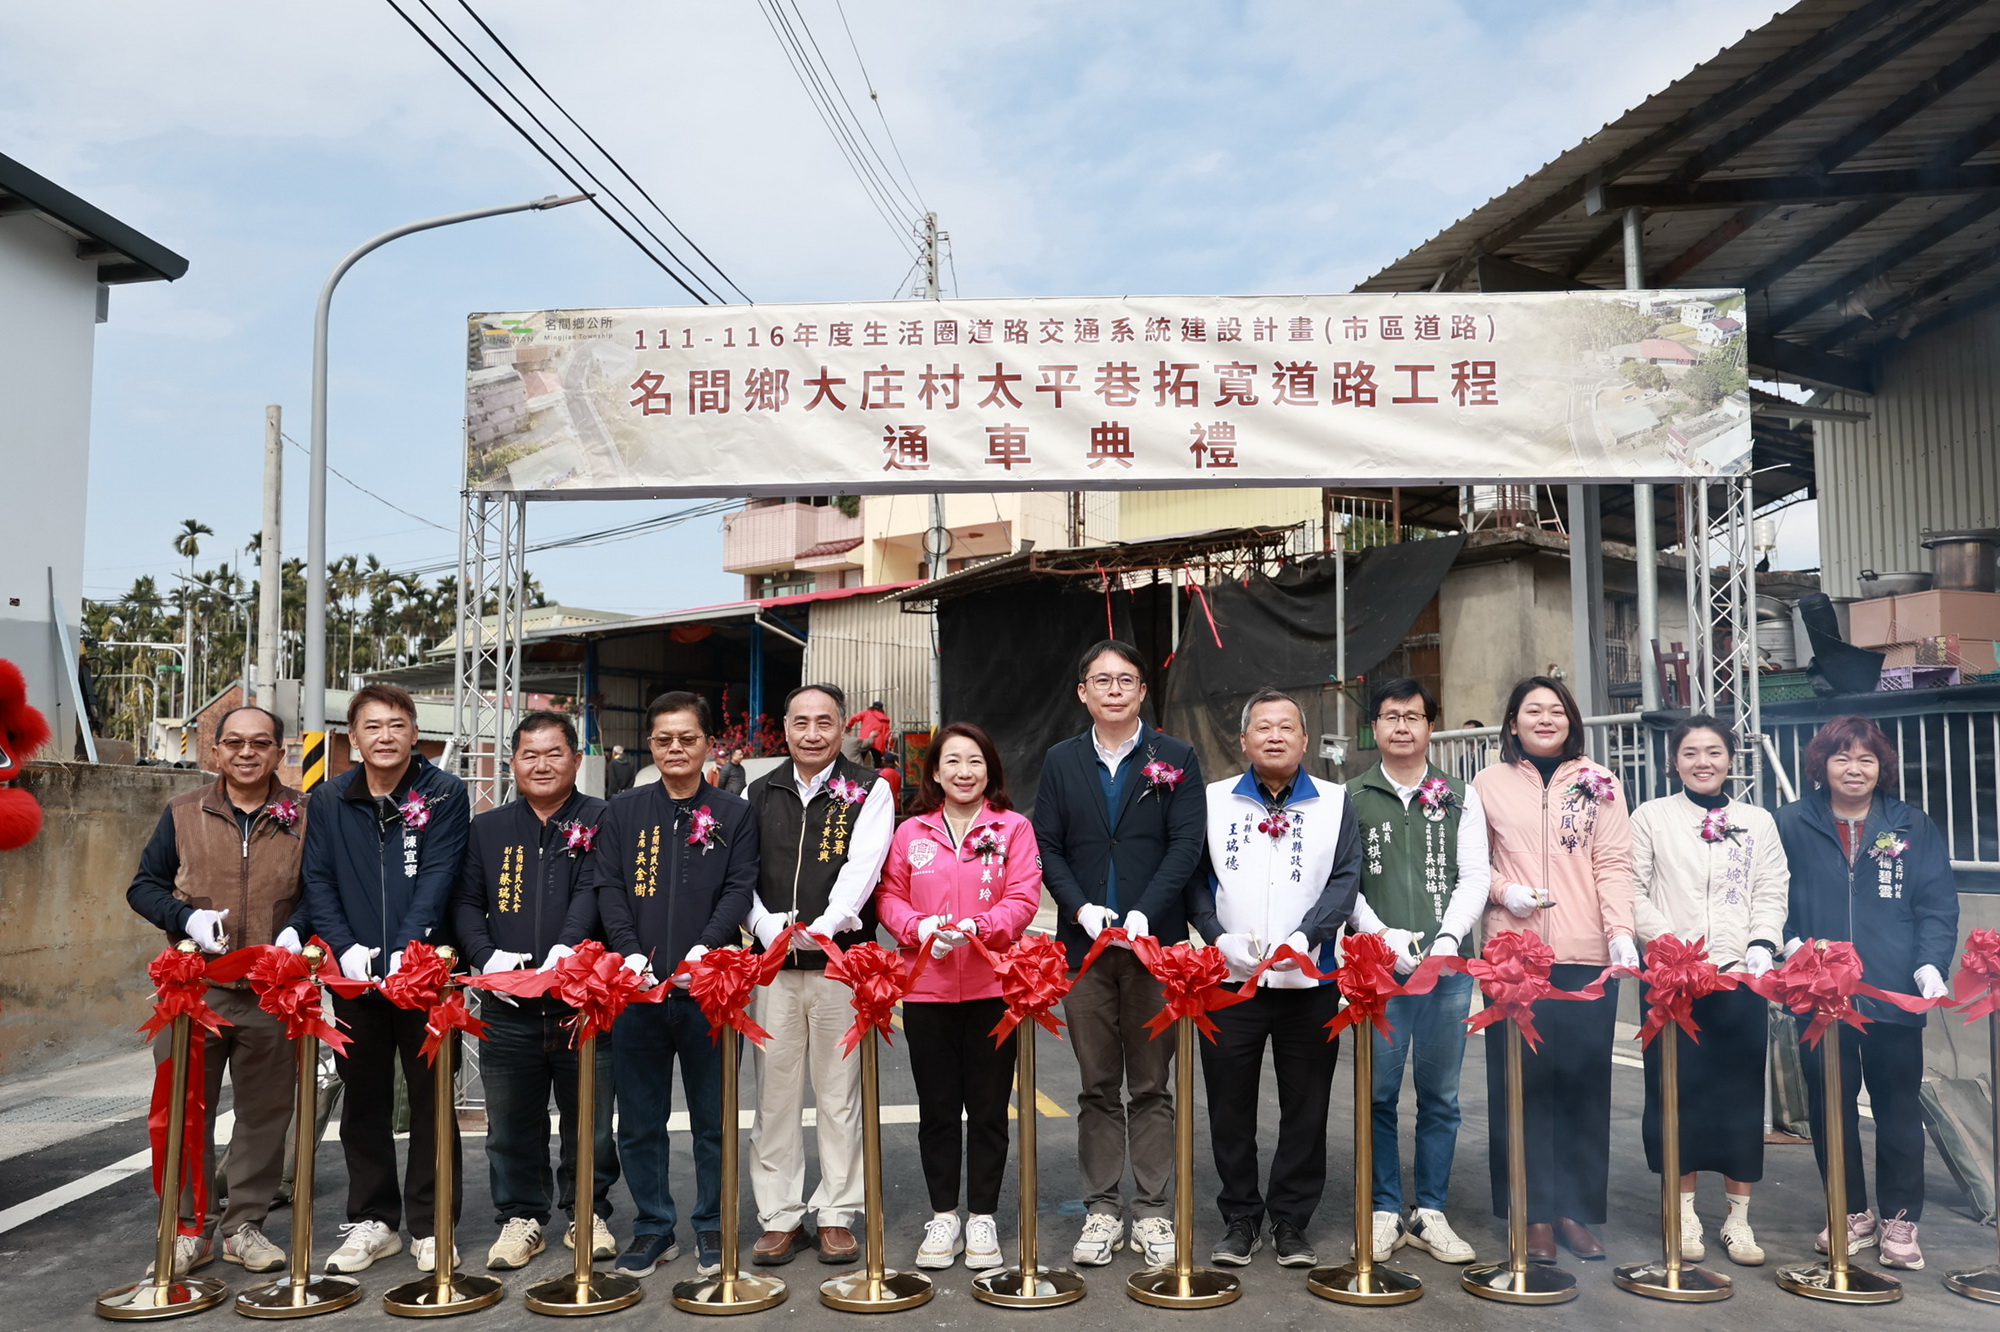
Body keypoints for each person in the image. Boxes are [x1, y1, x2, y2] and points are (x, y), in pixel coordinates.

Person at [1032, 639, 1206, 1268]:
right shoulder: (1060, 760)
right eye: (1100, 680)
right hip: (1083, 951)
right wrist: (1078, 907)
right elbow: (1047, 844)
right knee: (1097, 1086)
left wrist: (1145, 913)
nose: (1113, 690)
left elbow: (1186, 846)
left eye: (1125, 679)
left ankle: (1154, 1213)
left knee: (1153, 1085)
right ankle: (1102, 1210)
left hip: (1154, 948)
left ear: (1141, 692)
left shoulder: (1177, 758)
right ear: (1083, 692)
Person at [125, 704, 310, 1278]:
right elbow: (144, 886)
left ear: (280, 752)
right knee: (185, 1109)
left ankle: (245, 1226)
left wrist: (300, 927)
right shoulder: (183, 812)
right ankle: (188, 1228)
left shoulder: (306, 815)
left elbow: (324, 886)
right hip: (196, 992)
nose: (247, 752)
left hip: (274, 990)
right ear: (216, 751)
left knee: (265, 1111)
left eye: (260, 742)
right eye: (234, 742)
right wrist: (184, 920)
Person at [301, 683, 472, 1275]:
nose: (385, 736)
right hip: (353, 980)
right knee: (364, 1098)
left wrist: (406, 951)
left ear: (414, 732)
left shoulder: (445, 793)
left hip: (423, 974)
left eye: (397, 724)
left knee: (430, 1099)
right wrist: (343, 950)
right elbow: (316, 880)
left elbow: (440, 877)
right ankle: (374, 1219)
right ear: (354, 738)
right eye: (372, 726)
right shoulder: (326, 800)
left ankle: (431, 1223)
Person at [1776, 713, 1956, 1271]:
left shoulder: (1909, 825)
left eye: (1866, 759)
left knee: (1898, 1109)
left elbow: (1936, 903)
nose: (1854, 769)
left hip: (1892, 990)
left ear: (1882, 769)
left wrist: (1929, 965)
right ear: (1821, 766)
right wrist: (1782, 943)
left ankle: (1901, 1218)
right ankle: (1848, 1211)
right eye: (1841, 758)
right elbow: (1770, 895)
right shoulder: (1790, 823)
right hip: (1818, 992)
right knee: (1830, 1106)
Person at [1186, 689, 1359, 1269]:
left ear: (1305, 740)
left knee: (1306, 1106)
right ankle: (1239, 1217)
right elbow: (1194, 877)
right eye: (1263, 726)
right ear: (1244, 740)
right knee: (1228, 1105)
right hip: (1229, 981)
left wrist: (1308, 937)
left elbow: (1345, 879)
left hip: (1310, 983)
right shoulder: (1212, 801)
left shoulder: (1335, 802)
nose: (1275, 735)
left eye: (1287, 726)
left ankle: (1290, 1220)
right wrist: (1215, 936)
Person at [1473, 675, 1637, 1264]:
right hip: (1513, 960)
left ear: (1572, 721)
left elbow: (1614, 862)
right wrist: (1506, 891)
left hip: (1584, 957)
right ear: (1512, 722)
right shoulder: (1487, 784)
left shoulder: (1598, 783)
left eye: (1556, 711)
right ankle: (1532, 1212)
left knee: (1582, 1087)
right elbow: (1474, 866)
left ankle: (1574, 1209)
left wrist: (1620, 934)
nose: (1546, 719)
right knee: (1521, 1088)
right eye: (1532, 710)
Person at [596, 691, 758, 1281]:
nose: (675, 749)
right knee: (639, 1119)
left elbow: (740, 886)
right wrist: (631, 953)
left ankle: (713, 1226)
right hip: (636, 991)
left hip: (708, 990)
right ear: (651, 744)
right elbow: (609, 888)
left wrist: (705, 948)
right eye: (663, 739)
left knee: (714, 1118)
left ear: (708, 744)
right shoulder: (623, 811)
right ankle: (653, 1227)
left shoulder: (734, 813)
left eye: (687, 738)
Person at [451, 711, 619, 1272]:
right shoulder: (488, 828)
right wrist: (484, 955)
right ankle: (520, 1217)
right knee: (510, 1121)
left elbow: (601, 888)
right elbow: (466, 901)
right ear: (514, 763)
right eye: (529, 754)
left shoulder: (604, 819)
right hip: (507, 1006)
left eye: (554, 753)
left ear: (575, 759)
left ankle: (586, 1211)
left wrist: (570, 947)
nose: (541, 764)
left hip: (583, 1006)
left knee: (589, 1119)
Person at [875, 722, 1044, 1270]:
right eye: (952, 762)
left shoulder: (1013, 827)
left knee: (990, 1110)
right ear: (935, 772)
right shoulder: (911, 833)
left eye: (975, 761)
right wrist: (918, 930)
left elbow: (1023, 897)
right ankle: (944, 1216)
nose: (964, 772)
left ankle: (983, 1219)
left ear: (990, 769)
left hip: (994, 987)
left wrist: (979, 928)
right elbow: (889, 897)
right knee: (939, 1110)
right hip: (926, 990)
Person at [742, 685, 894, 1267]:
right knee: (775, 1097)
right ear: (784, 727)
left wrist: (824, 928)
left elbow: (864, 867)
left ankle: (836, 1213)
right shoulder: (759, 791)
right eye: (800, 721)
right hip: (773, 967)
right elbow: (742, 872)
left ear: (841, 728)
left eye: (824, 722)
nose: (812, 733)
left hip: (839, 964)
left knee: (839, 1095)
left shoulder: (869, 788)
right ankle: (780, 1216)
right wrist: (763, 925)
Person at [1630, 715, 1788, 1266]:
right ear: (1674, 761)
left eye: (1714, 752)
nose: (1703, 761)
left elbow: (1771, 886)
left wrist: (1763, 943)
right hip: (1671, 977)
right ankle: (1684, 1212)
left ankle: (1739, 1222)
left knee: (1740, 1097)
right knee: (1677, 1096)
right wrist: (1671, 946)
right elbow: (1632, 889)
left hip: (1739, 976)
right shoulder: (1651, 817)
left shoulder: (1757, 821)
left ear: (1731, 759)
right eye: (1692, 752)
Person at [1346, 678, 1488, 1266]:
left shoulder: (1461, 796)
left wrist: (1447, 941)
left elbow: (1474, 875)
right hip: (1377, 973)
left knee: (1441, 1096)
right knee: (1376, 1093)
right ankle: (1383, 1208)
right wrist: (1381, 938)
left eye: (1413, 715)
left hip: (1447, 971)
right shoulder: (1349, 796)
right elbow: (1344, 883)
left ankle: (1430, 1209)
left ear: (1431, 725)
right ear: (1373, 728)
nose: (1402, 727)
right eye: (1390, 716)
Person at [846, 701, 893, 767]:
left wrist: (849, 726)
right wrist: (888, 747)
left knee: (860, 759)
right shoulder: (885, 719)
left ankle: (856, 774)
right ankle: (877, 775)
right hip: (878, 744)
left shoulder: (867, 712)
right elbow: (887, 734)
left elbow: (854, 718)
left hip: (865, 740)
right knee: (878, 763)